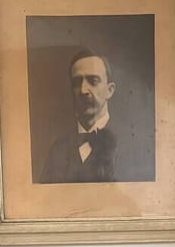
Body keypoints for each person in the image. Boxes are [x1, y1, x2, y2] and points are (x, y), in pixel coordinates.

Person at [39, 49, 120, 183]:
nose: (83, 90)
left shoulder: (132, 143)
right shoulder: (58, 149)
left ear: (109, 90)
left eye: (93, 81)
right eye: (77, 83)